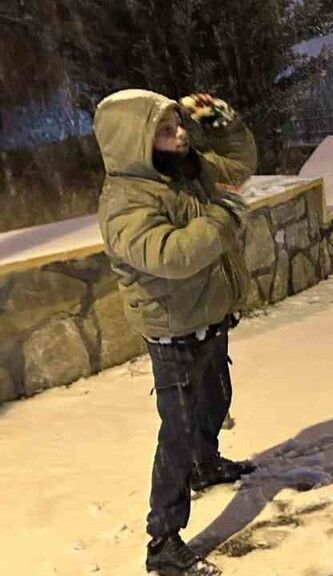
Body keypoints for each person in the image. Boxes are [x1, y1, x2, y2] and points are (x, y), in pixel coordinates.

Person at [95, 89, 259, 576]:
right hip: (172, 330)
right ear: (136, 142)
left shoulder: (187, 170)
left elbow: (239, 166)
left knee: (217, 397)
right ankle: (163, 540)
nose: (181, 135)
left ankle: (206, 465)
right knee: (178, 431)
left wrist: (222, 121)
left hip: (207, 315)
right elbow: (171, 255)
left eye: (179, 124)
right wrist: (223, 218)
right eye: (165, 131)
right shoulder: (125, 202)